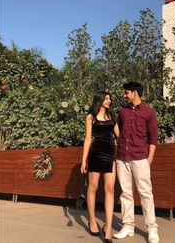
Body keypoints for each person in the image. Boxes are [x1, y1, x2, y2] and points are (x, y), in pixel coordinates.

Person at [113, 82, 159, 243]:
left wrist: (150, 159)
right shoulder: (122, 111)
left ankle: (152, 228)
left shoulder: (149, 113)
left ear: (135, 93)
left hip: (140, 158)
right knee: (126, 193)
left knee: (146, 193)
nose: (125, 95)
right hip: (122, 157)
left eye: (127, 93)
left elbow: (153, 138)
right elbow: (117, 130)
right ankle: (128, 226)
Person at [80, 91, 119, 243]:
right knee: (93, 187)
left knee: (110, 188)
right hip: (95, 154)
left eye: (110, 98)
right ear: (100, 100)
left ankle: (108, 227)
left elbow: (119, 135)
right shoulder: (90, 117)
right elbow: (88, 139)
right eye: (107, 98)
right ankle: (92, 220)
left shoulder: (112, 117)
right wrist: (84, 161)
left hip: (110, 155)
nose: (109, 100)